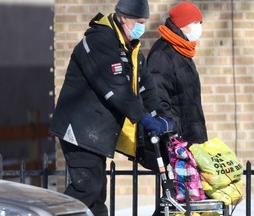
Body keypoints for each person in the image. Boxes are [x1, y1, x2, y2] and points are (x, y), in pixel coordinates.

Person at [49, 0, 173, 215]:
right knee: (86, 188)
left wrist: (158, 116)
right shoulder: (100, 42)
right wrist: (142, 118)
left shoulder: (130, 49)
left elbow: (146, 88)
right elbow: (115, 87)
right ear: (123, 17)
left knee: (97, 197)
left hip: (96, 132)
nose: (142, 28)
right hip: (80, 128)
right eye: (139, 22)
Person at [147, 2, 208, 146]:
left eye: (200, 22)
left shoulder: (182, 51)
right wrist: (174, 135)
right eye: (195, 22)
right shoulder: (163, 54)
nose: (199, 27)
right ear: (182, 24)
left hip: (190, 136)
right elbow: (158, 98)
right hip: (175, 141)